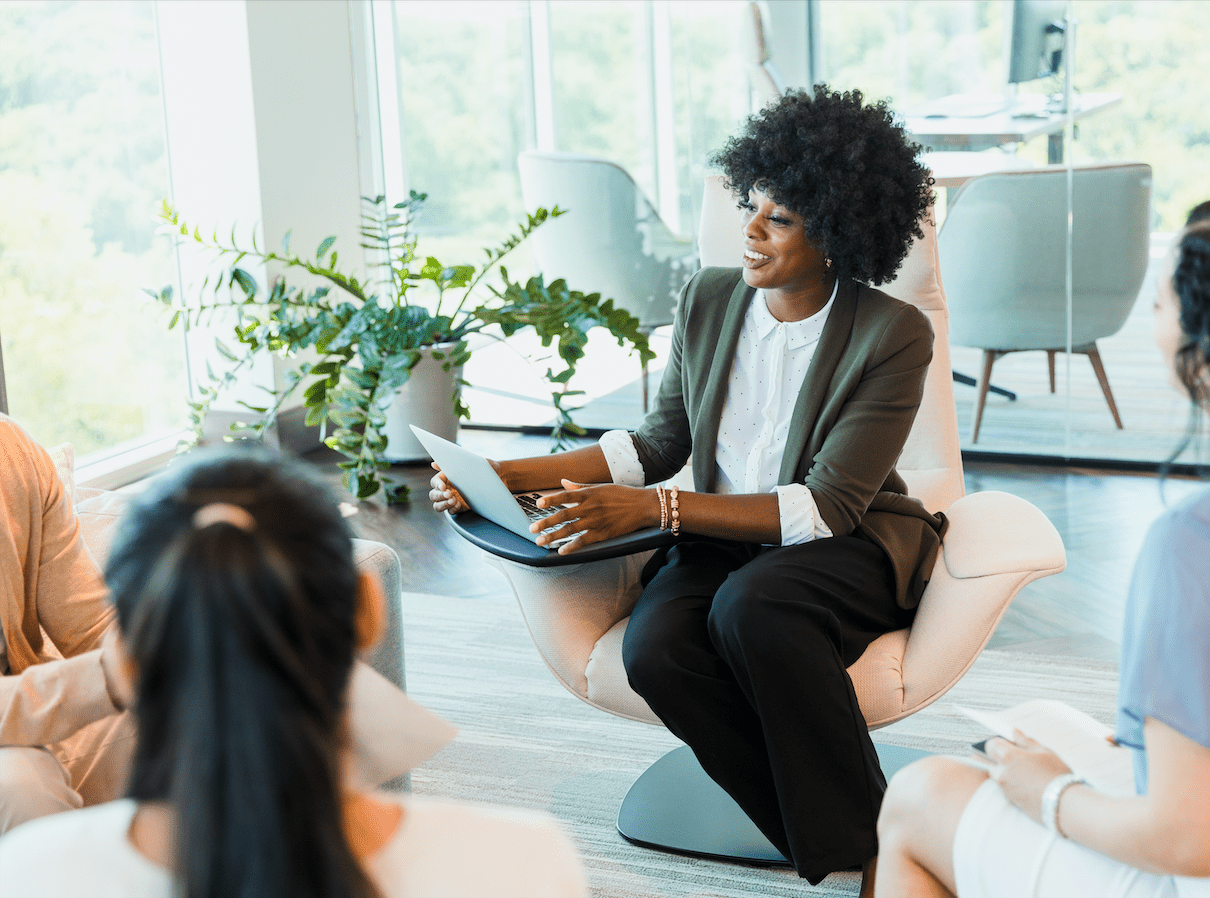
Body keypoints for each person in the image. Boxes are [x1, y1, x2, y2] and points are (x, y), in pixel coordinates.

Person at [431, 85, 943, 893]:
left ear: (840, 231)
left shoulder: (893, 332)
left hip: (844, 543)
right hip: (719, 536)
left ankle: (881, 858)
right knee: (656, 648)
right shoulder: (709, 298)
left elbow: (828, 505)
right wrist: (500, 476)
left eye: (779, 219)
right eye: (752, 205)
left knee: (754, 607)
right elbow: (658, 440)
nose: (749, 229)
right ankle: (859, 836)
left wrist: (658, 509)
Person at [873, 194, 1210, 898]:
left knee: (920, 796)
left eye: (1157, 303)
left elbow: (1193, 838)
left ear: (1203, 350)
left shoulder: (1204, 544)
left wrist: (1051, 794)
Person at [0, 447, 588, 898]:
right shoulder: (530, 862)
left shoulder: (34, 870)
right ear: (368, 609)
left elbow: (90, 628)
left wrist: (177, 641)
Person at [0, 413, 133, 832]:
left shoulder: (11, 449)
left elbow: (92, 627)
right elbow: (104, 672)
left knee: (213, 712)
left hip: (30, 705)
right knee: (23, 788)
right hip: (18, 745)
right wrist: (109, 677)